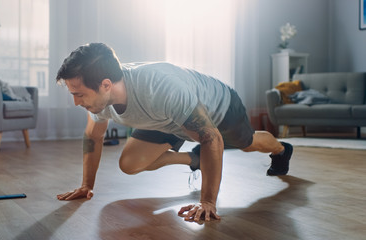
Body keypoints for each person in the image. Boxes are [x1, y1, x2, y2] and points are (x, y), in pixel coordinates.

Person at [55, 43, 293, 223]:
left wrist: (207, 202)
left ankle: (282, 149)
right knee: (129, 163)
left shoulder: (159, 87)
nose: (76, 103)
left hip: (219, 109)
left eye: (79, 94)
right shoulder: (99, 101)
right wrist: (87, 185)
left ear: (105, 85)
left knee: (248, 143)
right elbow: (93, 137)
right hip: (164, 119)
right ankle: (195, 159)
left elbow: (211, 137)